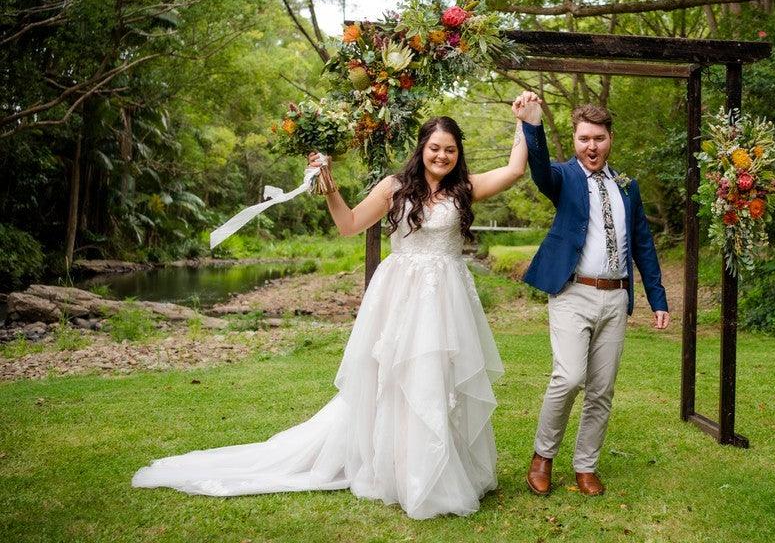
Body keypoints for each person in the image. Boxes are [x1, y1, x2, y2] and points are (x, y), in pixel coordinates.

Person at [133, 111, 528, 519]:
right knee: (398, 379)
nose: (441, 155)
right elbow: (349, 224)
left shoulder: (465, 188)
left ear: (458, 152)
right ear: (421, 148)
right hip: (402, 299)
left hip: (447, 299)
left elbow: (516, 169)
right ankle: (404, 472)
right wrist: (329, 187)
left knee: (441, 380)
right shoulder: (394, 187)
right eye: (434, 148)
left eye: (449, 149)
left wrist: (524, 121)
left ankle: (441, 468)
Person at [513, 92, 669, 497]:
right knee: (569, 377)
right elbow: (541, 171)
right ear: (576, 140)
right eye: (584, 139)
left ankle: (586, 466)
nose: (591, 146)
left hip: (616, 297)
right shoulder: (563, 177)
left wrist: (658, 298)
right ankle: (543, 456)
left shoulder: (627, 186)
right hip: (573, 293)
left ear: (609, 139)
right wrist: (533, 125)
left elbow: (643, 243)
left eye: (598, 138)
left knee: (601, 388)